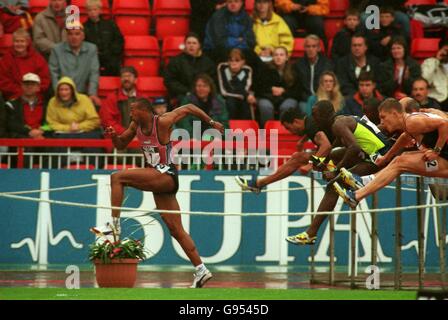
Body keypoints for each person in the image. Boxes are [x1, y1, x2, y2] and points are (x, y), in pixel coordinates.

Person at [91, 97, 224, 288]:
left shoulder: (162, 121)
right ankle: (202, 269)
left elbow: (188, 107)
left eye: (133, 110)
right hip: (159, 180)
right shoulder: (135, 125)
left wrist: (211, 122)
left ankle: (114, 225)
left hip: (166, 175)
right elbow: (120, 145)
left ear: (143, 110)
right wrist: (113, 135)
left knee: (117, 177)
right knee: (176, 229)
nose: (130, 113)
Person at [286, 100, 392, 245]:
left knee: (333, 185)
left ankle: (311, 233)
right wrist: (323, 162)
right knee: (335, 156)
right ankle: (312, 231)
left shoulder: (338, 125)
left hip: (379, 157)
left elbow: (354, 148)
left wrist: (336, 171)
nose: (313, 119)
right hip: (372, 153)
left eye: (315, 115)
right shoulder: (340, 120)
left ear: (324, 116)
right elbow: (334, 148)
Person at [333, 98, 448, 208]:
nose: (382, 122)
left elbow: (444, 124)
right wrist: (385, 158)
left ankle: (358, 194)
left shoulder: (412, 122)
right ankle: (362, 184)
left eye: (383, 117)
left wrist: (436, 151)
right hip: (444, 156)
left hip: (445, 159)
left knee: (401, 162)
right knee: (401, 158)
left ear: (394, 113)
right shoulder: (409, 124)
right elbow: (404, 138)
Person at [235, 107, 333, 193]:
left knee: (297, 158)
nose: (291, 132)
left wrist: (310, 165)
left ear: (296, 121)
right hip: (338, 152)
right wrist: (302, 141)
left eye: (289, 128)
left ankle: (258, 184)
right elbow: (317, 132)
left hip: (338, 153)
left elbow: (326, 146)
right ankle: (258, 184)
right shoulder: (310, 122)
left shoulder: (310, 124)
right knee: (297, 157)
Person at [46, 77, 102, 160]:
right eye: (61, 90)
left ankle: (92, 168)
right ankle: (56, 170)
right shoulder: (52, 101)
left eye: (66, 89)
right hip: (62, 134)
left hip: (84, 133)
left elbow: (94, 120)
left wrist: (79, 126)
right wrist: (68, 128)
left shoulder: (84, 99)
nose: (63, 92)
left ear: (72, 90)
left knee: (94, 140)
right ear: (57, 91)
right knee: (52, 141)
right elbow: (51, 123)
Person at [49, 21, 101, 107]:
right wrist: (58, 93)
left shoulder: (92, 49)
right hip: (62, 94)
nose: (73, 37)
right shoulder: (57, 50)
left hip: (82, 94)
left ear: (83, 36)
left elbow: (94, 73)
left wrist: (92, 93)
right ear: (66, 36)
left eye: (77, 34)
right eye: (70, 34)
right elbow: (54, 74)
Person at [163, 33, 216, 103]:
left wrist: (202, 90)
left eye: (194, 43)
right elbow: (169, 81)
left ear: (199, 45)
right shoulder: (175, 61)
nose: (191, 45)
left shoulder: (208, 62)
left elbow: (212, 80)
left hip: (204, 94)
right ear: (185, 45)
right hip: (182, 94)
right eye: (188, 43)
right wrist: (187, 91)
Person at [0, 28, 51, 101]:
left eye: (22, 41)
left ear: (27, 42)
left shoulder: (38, 58)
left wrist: (33, 91)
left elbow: (45, 79)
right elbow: (3, 81)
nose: (19, 44)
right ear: (13, 42)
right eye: (17, 41)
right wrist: (21, 92)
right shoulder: (6, 59)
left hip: (36, 97)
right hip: (14, 97)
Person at [257, 46, 300, 127]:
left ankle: (282, 131)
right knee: (265, 106)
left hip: (287, 96)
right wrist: (271, 89)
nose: (278, 57)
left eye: (281, 55)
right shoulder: (265, 69)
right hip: (268, 96)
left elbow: (297, 91)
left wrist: (283, 91)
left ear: (287, 57)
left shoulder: (294, 70)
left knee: (287, 106)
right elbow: (259, 88)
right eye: (276, 55)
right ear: (272, 57)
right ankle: (267, 132)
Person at [84, 0, 124, 77]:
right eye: (90, 10)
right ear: (87, 12)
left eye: (95, 9)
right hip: (92, 61)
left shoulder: (110, 25)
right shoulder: (84, 27)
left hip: (110, 61)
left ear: (100, 10)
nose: (92, 12)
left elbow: (119, 41)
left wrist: (111, 53)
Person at [99, 66, 143, 135]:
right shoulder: (112, 98)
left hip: (139, 139)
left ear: (136, 79)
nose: (126, 78)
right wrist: (127, 133)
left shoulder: (143, 99)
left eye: (129, 76)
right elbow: (107, 121)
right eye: (123, 76)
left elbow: (148, 121)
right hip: (117, 138)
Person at [294, 34, 333, 112]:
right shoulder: (298, 64)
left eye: (314, 46)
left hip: (323, 98)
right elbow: (297, 87)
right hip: (304, 100)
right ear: (304, 48)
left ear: (318, 48)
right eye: (308, 46)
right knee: (304, 109)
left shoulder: (327, 64)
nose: (311, 49)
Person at [5, 73, 49, 139]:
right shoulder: (11, 105)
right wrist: (29, 132)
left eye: (33, 84)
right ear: (22, 86)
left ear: (38, 88)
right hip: (21, 139)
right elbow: (11, 125)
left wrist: (41, 131)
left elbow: (49, 124)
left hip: (41, 137)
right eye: (26, 84)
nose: (29, 86)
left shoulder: (45, 105)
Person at [217, 48, 256, 120]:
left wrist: (237, 74)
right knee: (231, 102)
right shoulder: (222, 68)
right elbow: (225, 91)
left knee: (246, 103)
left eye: (237, 60)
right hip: (228, 97)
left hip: (243, 97)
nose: (233, 63)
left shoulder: (247, 70)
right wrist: (245, 95)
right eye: (231, 60)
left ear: (243, 62)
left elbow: (245, 88)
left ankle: (245, 128)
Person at [421, 39, 448, 111]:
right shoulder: (429, 62)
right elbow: (424, 81)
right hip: (437, 98)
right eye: (446, 50)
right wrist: (436, 60)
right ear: (440, 50)